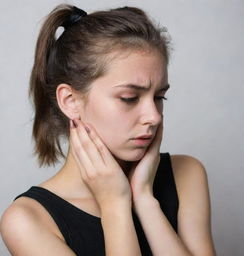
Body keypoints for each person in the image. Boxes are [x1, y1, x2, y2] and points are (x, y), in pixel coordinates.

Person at [0, 4, 216, 256]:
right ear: (70, 101)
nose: (154, 116)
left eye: (159, 97)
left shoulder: (186, 174)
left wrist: (145, 200)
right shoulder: (28, 221)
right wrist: (114, 205)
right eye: (129, 98)